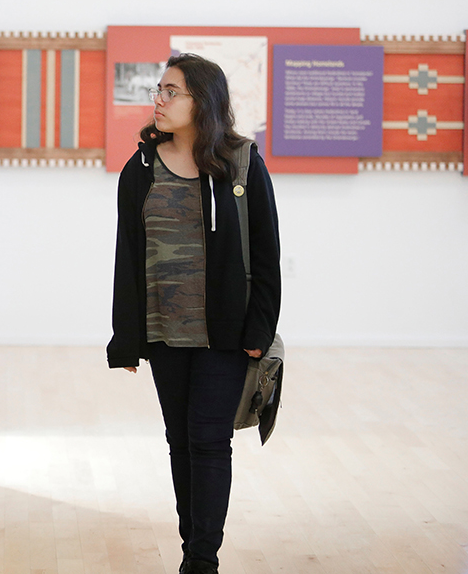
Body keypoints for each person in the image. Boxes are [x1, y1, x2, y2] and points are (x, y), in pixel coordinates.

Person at [106, 54, 280, 574]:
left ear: (201, 100)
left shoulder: (242, 162)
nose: (158, 100)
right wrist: (127, 337)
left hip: (224, 334)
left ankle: (201, 560)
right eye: (158, 90)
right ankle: (193, 546)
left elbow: (266, 251)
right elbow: (128, 255)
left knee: (208, 440)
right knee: (179, 442)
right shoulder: (139, 169)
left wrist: (260, 329)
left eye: (171, 91)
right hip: (164, 332)